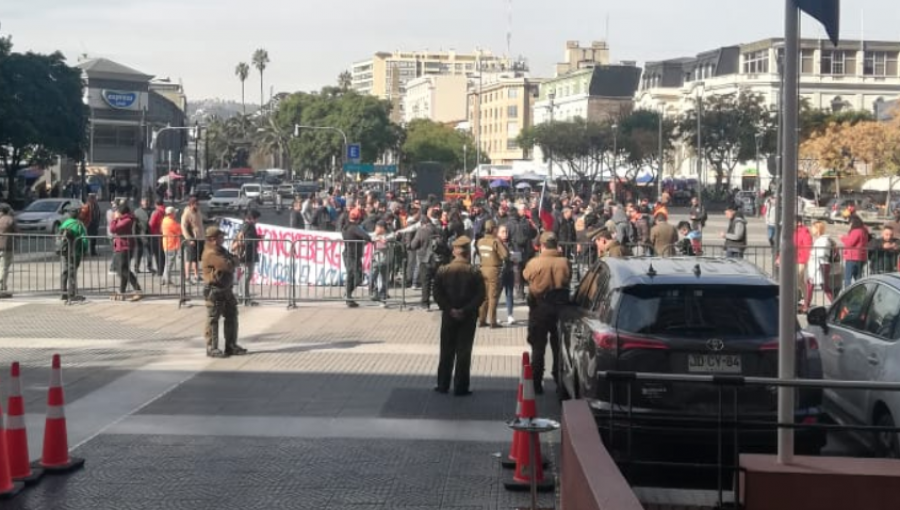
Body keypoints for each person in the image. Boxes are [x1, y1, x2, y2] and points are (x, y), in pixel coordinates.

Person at [432, 236, 486, 396]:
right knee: (464, 351)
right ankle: (461, 386)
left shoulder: (443, 270)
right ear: (468, 252)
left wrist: (450, 309)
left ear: (454, 252)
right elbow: (480, 295)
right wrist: (466, 310)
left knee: (446, 350)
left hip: (449, 316)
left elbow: (437, 294)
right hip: (468, 317)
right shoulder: (474, 271)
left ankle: (443, 384)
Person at [523, 232, 572, 394]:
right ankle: (559, 380)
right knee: (559, 347)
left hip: (540, 308)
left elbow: (526, 276)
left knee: (538, 347)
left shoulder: (534, 263)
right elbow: (569, 277)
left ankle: (536, 383)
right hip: (561, 309)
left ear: (542, 246)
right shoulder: (565, 262)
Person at [201, 226, 247, 358]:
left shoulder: (220, 250)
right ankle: (212, 347)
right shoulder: (211, 253)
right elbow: (228, 265)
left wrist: (234, 258)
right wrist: (233, 261)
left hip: (226, 289)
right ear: (212, 239)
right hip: (215, 290)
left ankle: (231, 345)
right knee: (213, 319)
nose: (223, 239)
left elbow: (233, 259)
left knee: (232, 315)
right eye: (221, 237)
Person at [410, 208, 447, 311]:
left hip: (424, 260)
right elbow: (445, 242)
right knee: (438, 282)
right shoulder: (439, 229)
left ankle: (425, 304)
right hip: (438, 259)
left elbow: (413, 245)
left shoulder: (421, 231)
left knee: (425, 282)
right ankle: (441, 303)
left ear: (422, 223)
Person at [476, 220, 509, 329]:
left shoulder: (480, 241)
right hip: (494, 270)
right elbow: (505, 255)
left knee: (484, 296)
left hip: (482, 269)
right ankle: (493, 322)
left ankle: (481, 320)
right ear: (494, 229)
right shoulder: (495, 241)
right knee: (493, 296)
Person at [109, 204, 143, 301]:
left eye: (118, 212)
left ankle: (137, 288)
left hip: (125, 247)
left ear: (121, 213)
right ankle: (122, 290)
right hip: (121, 246)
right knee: (123, 270)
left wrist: (114, 219)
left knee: (123, 269)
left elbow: (113, 229)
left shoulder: (127, 220)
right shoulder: (124, 219)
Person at [341, 207, 371, 308]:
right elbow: (367, 237)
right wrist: (365, 242)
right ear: (358, 218)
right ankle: (348, 295)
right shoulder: (354, 228)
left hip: (351, 255)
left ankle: (348, 295)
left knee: (354, 276)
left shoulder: (346, 227)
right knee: (356, 277)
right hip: (352, 256)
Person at [58, 206, 88, 302]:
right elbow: (84, 240)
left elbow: (59, 237)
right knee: (72, 272)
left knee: (65, 271)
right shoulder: (79, 225)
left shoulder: (64, 224)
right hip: (75, 252)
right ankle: (72, 294)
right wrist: (85, 251)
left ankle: (63, 292)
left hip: (64, 251)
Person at [807, 221, 835, 307]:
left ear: (818, 229)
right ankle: (806, 305)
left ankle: (837, 305)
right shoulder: (820, 239)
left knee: (824, 287)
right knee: (811, 285)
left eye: (813, 228)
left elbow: (822, 253)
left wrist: (812, 253)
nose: (811, 229)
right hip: (817, 265)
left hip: (820, 265)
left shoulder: (823, 240)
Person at [236, 210, 261, 305]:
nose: (257, 221)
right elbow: (248, 240)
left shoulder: (244, 225)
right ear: (252, 218)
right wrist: (258, 238)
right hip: (248, 253)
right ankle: (245, 297)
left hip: (246, 253)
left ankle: (243, 296)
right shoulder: (248, 226)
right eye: (257, 219)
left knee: (245, 275)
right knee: (247, 275)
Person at [841, 215, 869, 289]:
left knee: (848, 278)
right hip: (861, 257)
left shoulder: (856, 231)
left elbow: (849, 243)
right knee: (858, 277)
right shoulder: (864, 230)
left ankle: (848, 293)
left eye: (849, 223)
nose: (849, 225)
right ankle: (862, 292)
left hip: (852, 256)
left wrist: (842, 238)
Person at [181, 196, 204, 285]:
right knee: (189, 259)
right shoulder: (186, 213)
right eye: (196, 204)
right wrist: (189, 239)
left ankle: (196, 275)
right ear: (191, 204)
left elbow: (199, 222)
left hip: (200, 238)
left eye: (198, 204)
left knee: (196, 259)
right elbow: (184, 228)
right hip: (191, 239)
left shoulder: (198, 211)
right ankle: (187, 277)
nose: (198, 206)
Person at [497, 224, 517, 325]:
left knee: (509, 294)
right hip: (500, 272)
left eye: (506, 232)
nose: (505, 234)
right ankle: (494, 315)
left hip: (509, 270)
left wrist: (515, 258)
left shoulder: (511, 243)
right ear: (498, 233)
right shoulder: (496, 243)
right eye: (503, 232)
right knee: (497, 294)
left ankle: (510, 315)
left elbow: (516, 256)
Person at [132, 198, 156, 274]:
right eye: (145, 202)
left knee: (150, 252)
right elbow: (134, 225)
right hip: (140, 234)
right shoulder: (137, 212)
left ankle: (149, 266)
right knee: (139, 252)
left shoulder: (152, 210)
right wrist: (134, 236)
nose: (146, 203)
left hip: (150, 234)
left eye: (147, 202)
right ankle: (136, 267)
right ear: (141, 203)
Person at [795, 219, 813, 312]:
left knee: (798, 281)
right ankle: (805, 303)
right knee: (801, 282)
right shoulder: (795, 231)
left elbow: (807, 248)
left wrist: (806, 260)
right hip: (796, 259)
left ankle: (802, 303)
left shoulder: (804, 233)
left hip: (801, 260)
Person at [161, 206, 182, 286]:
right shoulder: (171, 222)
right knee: (169, 264)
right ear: (171, 214)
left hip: (167, 243)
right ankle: (167, 280)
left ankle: (164, 279)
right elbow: (180, 231)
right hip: (171, 244)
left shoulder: (165, 220)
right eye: (174, 213)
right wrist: (180, 225)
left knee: (167, 263)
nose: (175, 214)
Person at [0, 204, 16, 298]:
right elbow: (17, 231)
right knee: (4, 267)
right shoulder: (9, 219)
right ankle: (2, 288)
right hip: (6, 246)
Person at [148, 199, 166, 275]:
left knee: (157, 254)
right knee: (163, 253)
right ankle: (163, 269)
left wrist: (149, 233)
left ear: (156, 204)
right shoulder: (166, 211)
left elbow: (151, 224)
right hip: (164, 234)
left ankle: (160, 270)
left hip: (155, 235)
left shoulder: (156, 212)